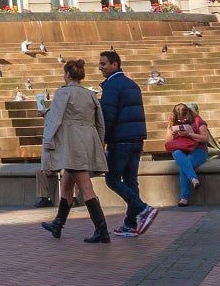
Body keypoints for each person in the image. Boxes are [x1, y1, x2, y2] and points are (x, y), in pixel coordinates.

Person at [39, 58, 112, 243]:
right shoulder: (90, 95)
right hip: (88, 141)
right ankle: (58, 224)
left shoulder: (63, 93)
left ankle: (102, 230)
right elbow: (100, 123)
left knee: (86, 187)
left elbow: (55, 120)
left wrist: (47, 143)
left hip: (71, 144)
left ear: (67, 74)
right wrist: (99, 145)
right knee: (66, 185)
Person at [98, 49, 158, 236]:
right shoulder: (132, 84)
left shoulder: (112, 86)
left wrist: (102, 141)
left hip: (120, 140)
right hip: (136, 138)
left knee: (112, 179)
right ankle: (130, 224)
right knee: (131, 181)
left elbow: (108, 115)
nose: (100, 68)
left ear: (115, 64)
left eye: (103, 64)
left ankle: (143, 208)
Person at [165, 103, 211, 206]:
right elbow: (168, 143)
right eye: (180, 120)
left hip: (199, 150)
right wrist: (173, 134)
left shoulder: (198, 120)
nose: (182, 121)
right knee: (176, 152)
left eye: (184, 119)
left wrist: (189, 134)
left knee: (183, 166)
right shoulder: (173, 122)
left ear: (189, 113)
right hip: (182, 150)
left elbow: (205, 139)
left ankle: (184, 198)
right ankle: (193, 179)